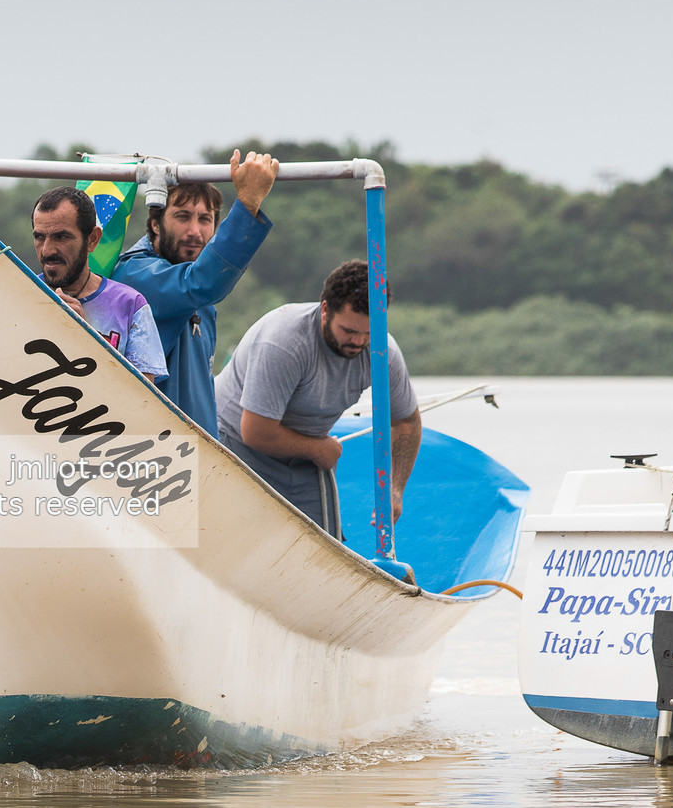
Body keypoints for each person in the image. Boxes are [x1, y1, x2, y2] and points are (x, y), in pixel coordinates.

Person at [215, 259, 421, 538]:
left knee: (322, 548)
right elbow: (255, 432)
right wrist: (317, 449)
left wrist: (394, 489)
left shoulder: (383, 351)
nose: (359, 342)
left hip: (305, 455)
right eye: (349, 331)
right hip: (234, 442)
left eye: (368, 333)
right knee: (241, 541)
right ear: (325, 310)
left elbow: (406, 421)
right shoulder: (284, 342)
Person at [113, 149, 278, 437]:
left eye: (205, 219)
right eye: (182, 216)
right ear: (154, 224)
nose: (195, 231)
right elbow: (201, 283)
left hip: (194, 458)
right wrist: (248, 203)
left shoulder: (202, 301)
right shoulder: (136, 276)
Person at [31, 187, 168, 381]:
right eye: (39, 237)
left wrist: (87, 338)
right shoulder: (20, 295)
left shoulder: (130, 305)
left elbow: (143, 401)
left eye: (61, 237)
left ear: (92, 239)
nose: (47, 250)